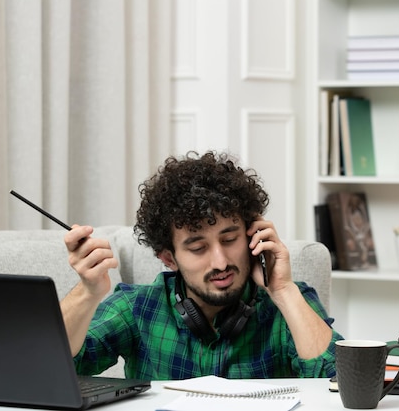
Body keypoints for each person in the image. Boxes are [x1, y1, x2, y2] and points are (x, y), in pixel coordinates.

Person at [61, 151, 343, 380]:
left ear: (251, 236)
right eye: (198, 248)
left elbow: (340, 382)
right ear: (169, 258)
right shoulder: (137, 307)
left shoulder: (290, 302)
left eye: (230, 239)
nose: (220, 262)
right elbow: (55, 367)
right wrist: (87, 292)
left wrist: (283, 290)